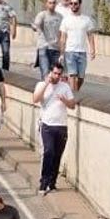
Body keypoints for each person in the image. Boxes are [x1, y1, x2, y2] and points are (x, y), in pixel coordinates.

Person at [31, 62, 77, 195]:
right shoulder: (41, 85)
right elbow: (35, 99)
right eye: (55, 73)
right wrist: (46, 84)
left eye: (59, 74)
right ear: (50, 72)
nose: (57, 76)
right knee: (48, 152)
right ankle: (43, 182)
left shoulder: (65, 87)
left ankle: (52, 182)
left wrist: (65, 101)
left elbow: (72, 105)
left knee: (57, 155)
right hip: (47, 125)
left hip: (61, 126)